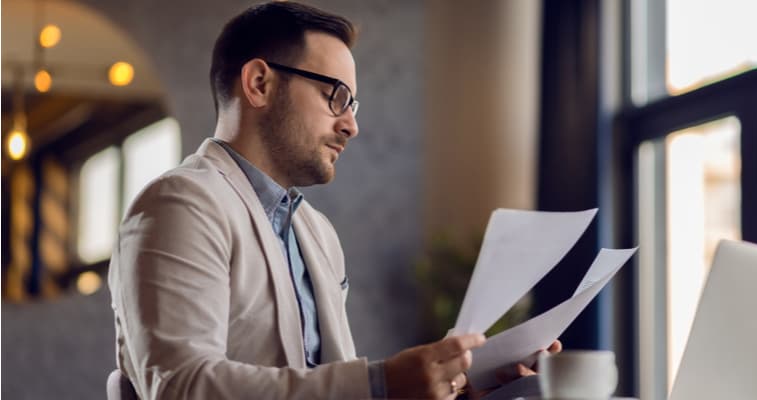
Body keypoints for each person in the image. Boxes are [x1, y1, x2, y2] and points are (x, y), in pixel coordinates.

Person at [108, 2, 559, 399]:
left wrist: (459, 385)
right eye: (335, 97)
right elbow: (181, 387)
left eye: (352, 105)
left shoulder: (316, 234)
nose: (351, 125)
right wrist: (381, 385)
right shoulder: (179, 205)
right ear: (260, 83)